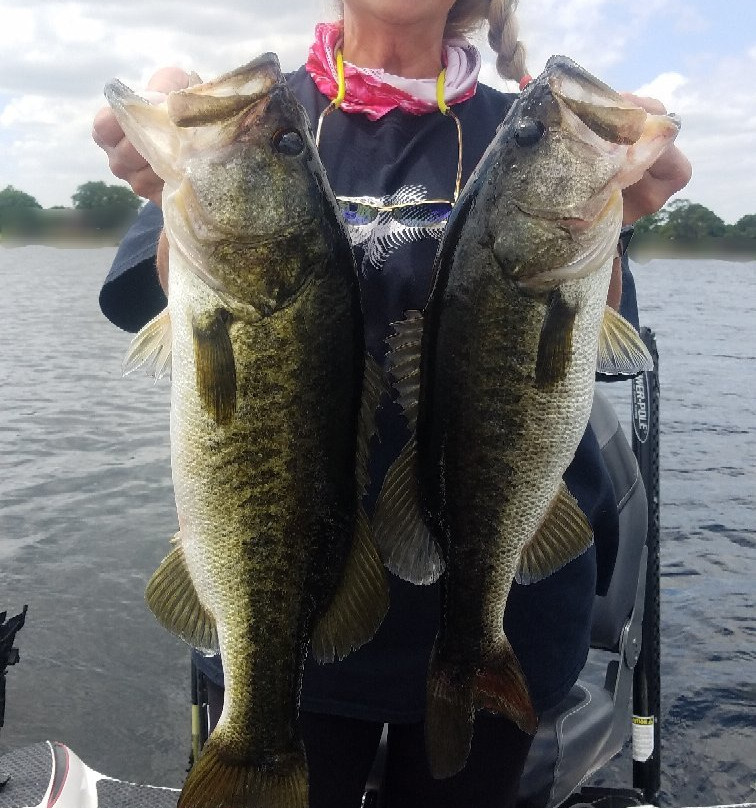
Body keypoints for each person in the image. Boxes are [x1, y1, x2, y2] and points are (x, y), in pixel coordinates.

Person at [93, 2, 691, 806]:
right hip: (295, 614)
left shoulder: (529, 136)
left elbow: (576, 348)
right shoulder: (252, 125)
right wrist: (164, 144)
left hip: (510, 617)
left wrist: (612, 225)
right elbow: (160, 300)